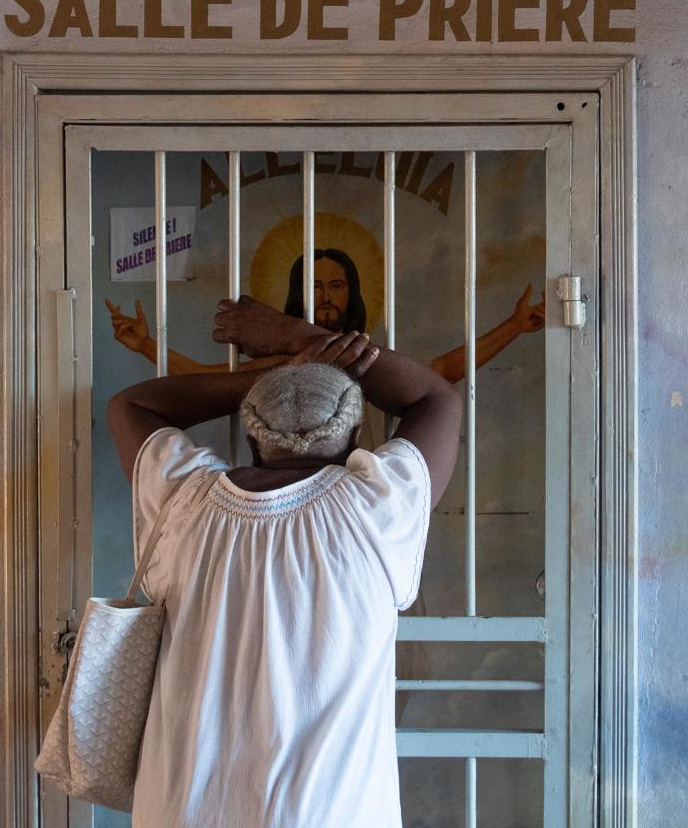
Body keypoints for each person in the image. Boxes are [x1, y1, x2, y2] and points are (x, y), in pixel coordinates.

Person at [105, 295, 460, 826]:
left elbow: (131, 407)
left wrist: (268, 377)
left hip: (185, 812)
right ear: (358, 438)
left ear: (250, 435)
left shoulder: (183, 503)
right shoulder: (378, 508)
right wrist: (299, 338)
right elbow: (436, 398)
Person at [106, 245, 546, 385]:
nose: (326, 296)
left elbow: (443, 369)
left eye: (336, 285)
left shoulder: (368, 358)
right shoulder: (278, 366)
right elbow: (204, 377)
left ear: (351, 292)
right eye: (314, 286)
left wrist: (514, 326)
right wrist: (145, 344)